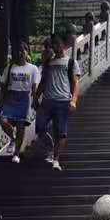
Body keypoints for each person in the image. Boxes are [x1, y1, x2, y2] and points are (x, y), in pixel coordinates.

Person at [35, 32, 79, 171]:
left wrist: (73, 100)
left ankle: (56, 159)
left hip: (63, 101)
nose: (55, 46)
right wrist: (36, 97)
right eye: (53, 44)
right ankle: (50, 146)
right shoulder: (48, 63)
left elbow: (76, 83)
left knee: (61, 132)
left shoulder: (71, 62)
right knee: (40, 128)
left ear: (64, 44)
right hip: (47, 101)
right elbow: (43, 81)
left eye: (57, 43)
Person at [0, 42, 40, 163]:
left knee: (20, 126)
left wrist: (35, 101)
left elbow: (34, 87)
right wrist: (1, 100)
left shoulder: (33, 68)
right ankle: (12, 138)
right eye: (18, 51)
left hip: (24, 98)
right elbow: (3, 84)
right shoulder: (10, 66)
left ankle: (16, 153)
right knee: (3, 121)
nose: (21, 53)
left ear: (27, 52)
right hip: (11, 96)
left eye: (23, 50)